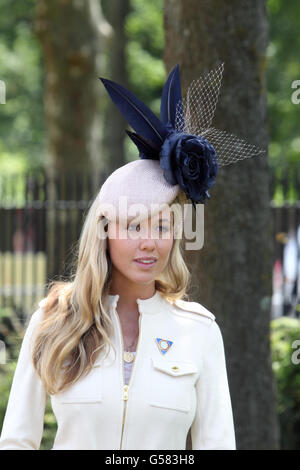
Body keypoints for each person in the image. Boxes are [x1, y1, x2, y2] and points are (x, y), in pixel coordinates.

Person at [0, 63, 263, 450]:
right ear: (104, 232)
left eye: (161, 227)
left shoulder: (201, 331)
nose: (149, 243)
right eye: (134, 226)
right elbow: (17, 441)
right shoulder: (52, 319)